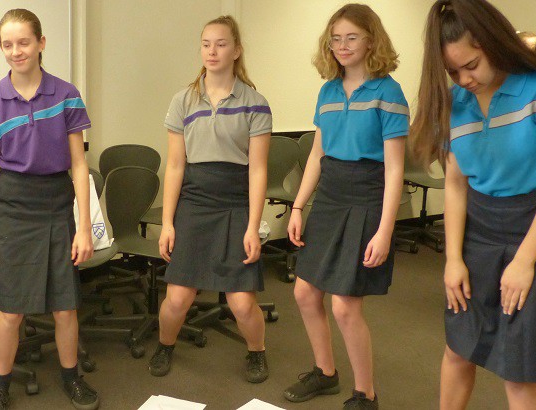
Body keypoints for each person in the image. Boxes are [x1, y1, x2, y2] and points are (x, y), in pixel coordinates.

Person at [410, 1, 536, 409]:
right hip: (479, 234)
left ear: (494, 44)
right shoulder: (455, 101)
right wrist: (452, 259)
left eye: (472, 65)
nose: (464, 79)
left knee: (517, 372)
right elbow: (454, 183)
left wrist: (524, 262)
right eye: (453, 72)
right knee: (458, 349)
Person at [283, 4, 407, 409]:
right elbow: (318, 153)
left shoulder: (388, 91)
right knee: (304, 293)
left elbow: (394, 170)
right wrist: (298, 207)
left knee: (345, 305)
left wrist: (386, 229)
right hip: (331, 196)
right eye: (336, 38)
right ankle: (326, 374)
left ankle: (365, 395)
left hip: (367, 196)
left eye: (351, 37)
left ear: (371, 39)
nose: (342, 46)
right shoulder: (328, 90)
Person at [0, 9, 97, 410]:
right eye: (7, 44)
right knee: (10, 310)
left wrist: (82, 227)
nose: (15, 51)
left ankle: (71, 379)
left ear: (41, 43)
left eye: (23, 42)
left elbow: (79, 165)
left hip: (57, 203)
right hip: (13, 207)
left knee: (65, 306)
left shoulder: (66, 94)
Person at [149, 15, 273, 384]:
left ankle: (257, 352)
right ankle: (165, 345)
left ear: (236, 50)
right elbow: (174, 166)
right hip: (195, 201)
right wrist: (168, 222)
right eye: (206, 44)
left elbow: (258, 171)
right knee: (177, 299)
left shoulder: (255, 102)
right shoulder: (183, 101)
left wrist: (253, 226)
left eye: (221, 44)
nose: (212, 51)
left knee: (241, 302)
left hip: (236, 203)